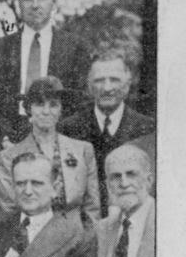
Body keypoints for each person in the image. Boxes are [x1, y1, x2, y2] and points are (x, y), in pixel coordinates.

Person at [0, 0, 90, 143]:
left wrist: (54, 135)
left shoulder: (75, 48)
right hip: (8, 139)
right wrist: (5, 137)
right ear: (19, 3)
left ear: (54, 1)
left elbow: (82, 102)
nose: (35, 5)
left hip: (58, 137)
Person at [57, 51, 156, 212]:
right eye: (99, 80)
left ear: (127, 83)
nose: (107, 88)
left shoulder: (147, 129)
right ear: (89, 84)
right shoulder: (68, 129)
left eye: (114, 80)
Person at [0, 76, 100, 223]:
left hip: (76, 236)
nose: (46, 111)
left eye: (53, 105)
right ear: (29, 108)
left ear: (61, 109)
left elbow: (92, 209)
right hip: (33, 237)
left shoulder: (82, 150)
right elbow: (10, 212)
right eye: (39, 104)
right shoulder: (8, 157)